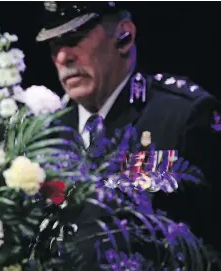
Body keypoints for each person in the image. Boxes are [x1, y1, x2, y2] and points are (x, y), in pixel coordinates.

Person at [35, 1, 221, 266]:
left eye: (75, 39)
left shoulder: (183, 117)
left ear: (124, 37)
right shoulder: (45, 132)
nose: (63, 58)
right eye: (54, 45)